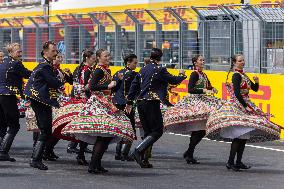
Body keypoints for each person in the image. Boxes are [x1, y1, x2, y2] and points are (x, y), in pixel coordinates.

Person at [62, 49, 136, 174]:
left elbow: (112, 89)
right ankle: (92, 165)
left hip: (106, 102)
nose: (108, 57)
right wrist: (108, 85)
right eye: (105, 55)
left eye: (108, 55)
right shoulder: (98, 70)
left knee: (106, 136)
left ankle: (96, 163)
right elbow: (91, 86)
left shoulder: (107, 70)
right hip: (98, 103)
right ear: (98, 57)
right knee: (103, 135)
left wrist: (117, 81)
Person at [206, 54, 281, 171]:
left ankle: (237, 162)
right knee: (239, 135)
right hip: (238, 105)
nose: (242, 62)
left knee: (244, 136)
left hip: (245, 104)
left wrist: (257, 81)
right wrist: (245, 106)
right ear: (234, 63)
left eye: (243, 60)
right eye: (240, 61)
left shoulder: (243, 75)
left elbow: (255, 89)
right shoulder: (236, 76)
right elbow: (237, 93)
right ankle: (231, 162)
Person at [125, 48, 187, 168]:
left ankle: (144, 159)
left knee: (148, 132)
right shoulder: (160, 69)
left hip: (140, 103)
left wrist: (129, 101)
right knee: (157, 131)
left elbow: (134, 85)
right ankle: (138, 151)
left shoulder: (142, 69)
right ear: (160, 58)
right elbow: (173, 81)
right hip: (151, 102)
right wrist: (182, 75)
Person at [163, 55, 224, 164]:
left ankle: (189, 152)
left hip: (203, 102)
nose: (203, 62)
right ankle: (189, 154)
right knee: (198, 130)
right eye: (201, 60)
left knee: (202, 130)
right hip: (196, 103)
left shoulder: (203, 74)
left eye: (203, 60)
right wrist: (205, 90)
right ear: (195, 63)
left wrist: (212, 88)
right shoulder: (194, 74)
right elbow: (190, 89)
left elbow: (208, 86)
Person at [52, 49, 96, 165]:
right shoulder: (87, 70)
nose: (94, 59)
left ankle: (51, 149)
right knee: (85, 128)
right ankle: (79, 154)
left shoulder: (79, 68)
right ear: (87, 58)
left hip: (75, 99)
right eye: (93, 58)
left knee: (76, 126)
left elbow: (74, 84)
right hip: (83, 101)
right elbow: (86, 87)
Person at [24, 41, 64, 170]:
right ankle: (36, 159)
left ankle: (35, 158)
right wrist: (60, 79)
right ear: (45, 52)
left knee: (44, 128)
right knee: (45, 129)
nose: (55, 53)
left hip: (39, 98)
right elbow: (53, 82)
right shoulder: (45, 66)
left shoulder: (45, 65)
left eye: (56, 51)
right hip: (40, 99)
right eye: (53, 51)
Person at [0, 43, 31, 162]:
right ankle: (3, 152)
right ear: (11, 52)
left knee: (2, 124)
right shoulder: (16, 63)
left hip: (1, 95)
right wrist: (40, 70)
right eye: (18, 51)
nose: (20, 53)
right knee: (14, 125)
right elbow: (27, 74)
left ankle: (2, 149)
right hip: (9, 96)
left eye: (20, 51)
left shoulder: (3, 63)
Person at [112, 54, 138, 161]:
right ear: (128, 63)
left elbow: (113, 89)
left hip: (117, 103)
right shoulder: (134, 75)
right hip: (127, 104)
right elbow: (134, 91)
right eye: (135, 63)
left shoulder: (118, 73)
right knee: (131, 129)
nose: (136, 64)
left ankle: (118, 153)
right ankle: (124, 153)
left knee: (120, 127)